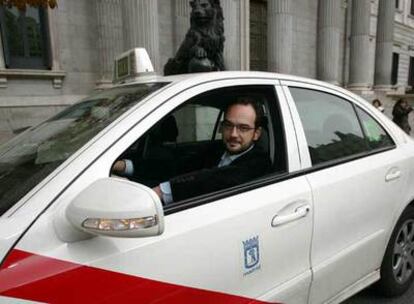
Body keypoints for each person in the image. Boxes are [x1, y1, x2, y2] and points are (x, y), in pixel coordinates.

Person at [113, 98, 271, 204]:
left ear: (256, 133)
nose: (233, 134)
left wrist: (161, 192)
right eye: (228, 125)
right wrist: (125, 166)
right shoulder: (216, 150)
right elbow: (177, 165)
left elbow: (215, 178)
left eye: (243, 128)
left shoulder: (259, 163)